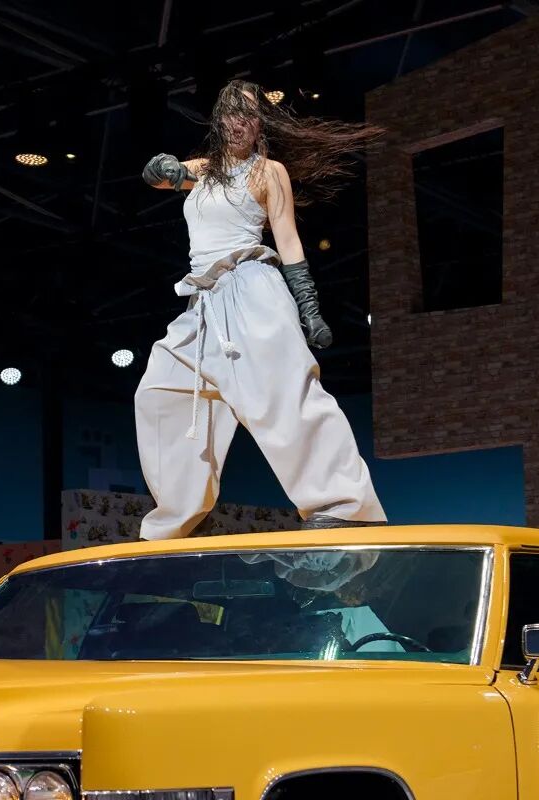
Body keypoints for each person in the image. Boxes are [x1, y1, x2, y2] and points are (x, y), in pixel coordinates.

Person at [136, 80, 387, 540]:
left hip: (251, 287)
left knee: (284, 390)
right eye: (231, 112)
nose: (239, 121)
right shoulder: (204, 169)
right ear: (219, 119)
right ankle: (180, 518)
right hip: (204, 303)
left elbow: (288, 240)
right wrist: (161, 166)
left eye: (249, 114)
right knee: (161, 392)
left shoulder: (270, 172)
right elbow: (160, 177)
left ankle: (344, 503)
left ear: (259, 124)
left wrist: (309, 306)